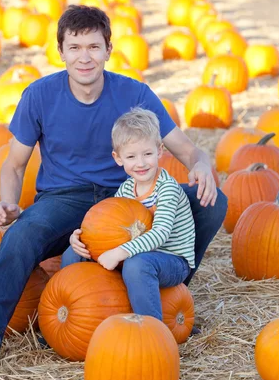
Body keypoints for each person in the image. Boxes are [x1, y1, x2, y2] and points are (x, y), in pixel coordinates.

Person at [0, 4, 227, 365]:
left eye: (93, 47)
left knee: (211, 202)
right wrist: (9, 202)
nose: (84, 57)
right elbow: (13, 164)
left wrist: (201, 167)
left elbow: (189, 150)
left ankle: (166, 303)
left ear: (108, 50)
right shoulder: (39, 96)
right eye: (75, 48)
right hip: (64, 199)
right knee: (22, 235)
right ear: (61, 52)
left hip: (128, 198)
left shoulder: (134, 93)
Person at [61, 107, 196, 321]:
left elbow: (160, 234)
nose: (141, 163)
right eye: (131, 156)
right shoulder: (125, 190)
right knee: (74, 253)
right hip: (135, 252)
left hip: (171, 259)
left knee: (136, 266)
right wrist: (80, 238)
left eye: (148, 154)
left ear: (160, 151)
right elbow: (105, 225)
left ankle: (152, 331)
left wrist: (118, 253)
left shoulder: (167, 189)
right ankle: (69, 312)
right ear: (118, 158)